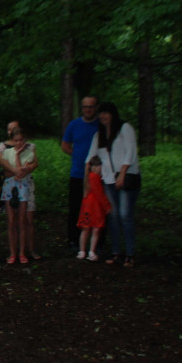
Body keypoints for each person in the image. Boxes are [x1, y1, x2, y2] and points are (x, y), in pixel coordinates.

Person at [85, 102, 141, 266]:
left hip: (127, 177)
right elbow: (90, 157)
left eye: (106, 113)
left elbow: (130, 153)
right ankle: (116, 252)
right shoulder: (99, 135)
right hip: (108, 180)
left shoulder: (125, 129)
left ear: (113, 114)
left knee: (125, 215)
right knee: (113, 216)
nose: (103, 116)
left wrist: (122, 174)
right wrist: (87, 180)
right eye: (101, 113)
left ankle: (130, 253)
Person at [61, 96, 99, 250]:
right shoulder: (74, 125)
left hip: (97, 174)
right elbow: (65, 145)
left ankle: (97, 242)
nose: (88, 109)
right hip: (77, 173)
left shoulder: (100, 125)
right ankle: (73, 240)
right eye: (85, 107)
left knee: (97, 207)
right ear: (81, 108)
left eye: (91, 106)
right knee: (75, 207)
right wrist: (77, 155)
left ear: (95, 107)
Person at [0, 124, 37, 264]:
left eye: (21, 140)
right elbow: (7, 170)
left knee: (22, 220)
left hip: (23, 186)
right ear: (12, 141)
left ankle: (22, 253)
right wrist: (16, 161)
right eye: (16, 140)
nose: (19, 143)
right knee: (11, 221)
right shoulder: (6, 153)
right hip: (9, 186)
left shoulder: (29, 153)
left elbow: (21, 171)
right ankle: (12, 253)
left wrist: (18, 156)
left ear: (25, 140)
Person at [77, 156, 111, 261]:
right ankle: (91, 251)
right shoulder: (94, 177)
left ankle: (82, 251)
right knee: (95, 229)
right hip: (94, 207)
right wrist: (107, 206)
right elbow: (99, 193)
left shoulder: (89, 178)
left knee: (86, 229)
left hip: (87, 207)